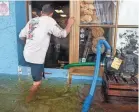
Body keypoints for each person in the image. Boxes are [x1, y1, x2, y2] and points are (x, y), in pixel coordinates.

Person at [19, 4, 75, 102]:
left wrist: (29, 44)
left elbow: (21, 36)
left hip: (27, 53)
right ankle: (27, 101)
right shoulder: (49, 21)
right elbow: (63, 34)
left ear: (41, 12)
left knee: (37, 72)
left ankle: (38, 78)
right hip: (36, 57)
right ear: (51, 13)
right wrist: (69, 24)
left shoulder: (32, 20)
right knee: (37, 83)